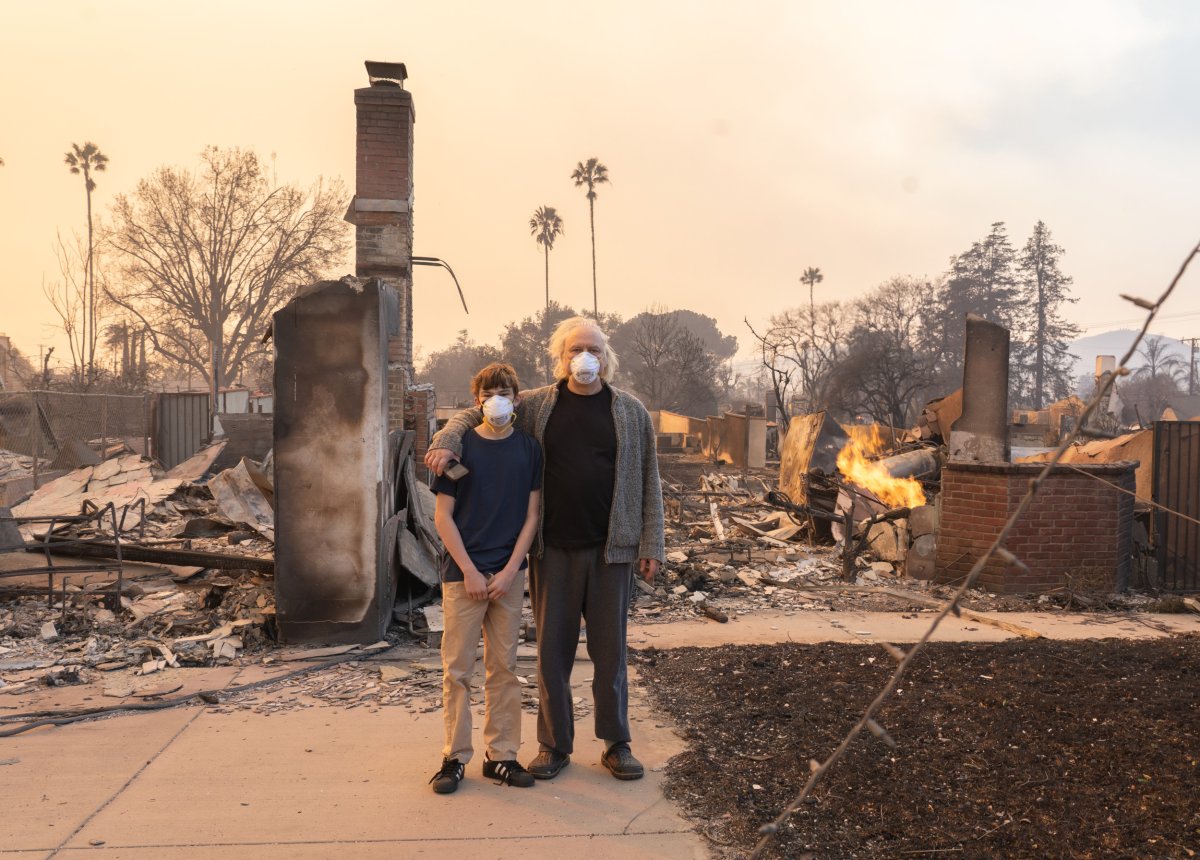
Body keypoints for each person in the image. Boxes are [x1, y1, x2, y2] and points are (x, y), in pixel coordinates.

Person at [425, 316, 664, 781]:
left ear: (607, 356)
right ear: (561, 358)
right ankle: (554, 746)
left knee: (610, 652)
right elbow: (477, 411)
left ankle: (617, 743)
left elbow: (649, 479)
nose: (584, 358)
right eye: (575, 350)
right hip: (552, 549)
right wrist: (447, 439)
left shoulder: (631, 411)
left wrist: (650, 542)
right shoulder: (537, 405)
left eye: (592, 348)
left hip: (611, 550)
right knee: (552, 653)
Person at [428, 362, 543, 795]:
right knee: (457, 670)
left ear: (517, 398)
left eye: (506, 391)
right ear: (477, 399)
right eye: (489, 392)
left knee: (504, 670)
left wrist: (512, 569)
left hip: (509, 576)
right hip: (464, 576)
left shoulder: (530, 450)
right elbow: (443, 517)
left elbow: (532, 517)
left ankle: (503, 756)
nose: (497, 398)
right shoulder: (456, 452)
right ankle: (453, 758)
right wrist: (471, 571)